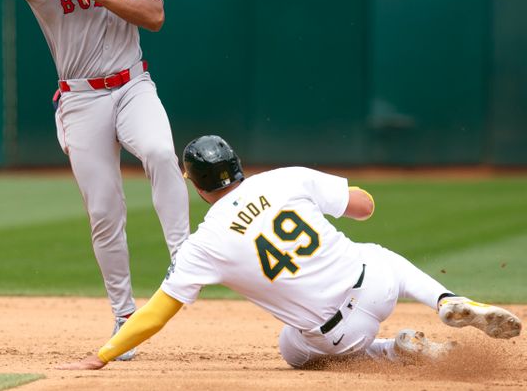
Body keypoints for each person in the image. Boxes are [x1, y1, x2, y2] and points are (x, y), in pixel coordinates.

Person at [0, 0, 190, 359]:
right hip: (81, 99)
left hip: (132, 85)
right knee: (104, 210)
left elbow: (156, 16)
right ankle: (125, 316)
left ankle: (185, 258)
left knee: (162, 151)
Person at [60, 135, 522, 370]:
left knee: (292, 350)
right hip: (376, 285)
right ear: (237, 165)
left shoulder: (203, 245)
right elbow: (363, 206)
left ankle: (391, 350)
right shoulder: (286, 177)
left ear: (193, 183)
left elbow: (157, 314)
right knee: (380, 254)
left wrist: (102, 355)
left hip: (339, 334)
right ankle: (447, 301)